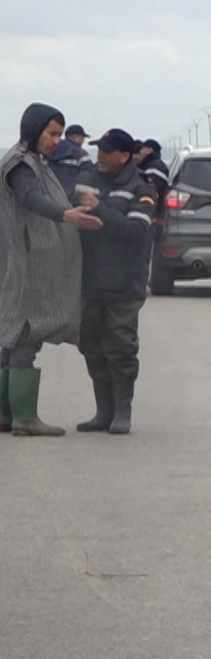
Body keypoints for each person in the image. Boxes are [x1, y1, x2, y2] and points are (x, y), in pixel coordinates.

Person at [0, 104, 102, 436]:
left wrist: (75, 205)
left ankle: (6, 414)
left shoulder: (35, 163)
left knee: (11, 338)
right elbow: (30, 198)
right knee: (24, 334)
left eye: (59, 134)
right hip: (27, 265)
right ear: (33, 129)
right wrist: (66, 216)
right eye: (52, 133)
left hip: (28, 263)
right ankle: (25, 419)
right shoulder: (20, 166)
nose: (57, 141)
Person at [72, 129, 159, 434]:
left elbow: (136, 233)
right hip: (88, 281)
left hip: (124, 284)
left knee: (120, 348)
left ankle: (123, 411)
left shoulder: (142, 187)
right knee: (90, 345)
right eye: (99, 150)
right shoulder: (86, 179)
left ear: (124, 156)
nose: (100, 156)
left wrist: (100, 210)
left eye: (107, 151)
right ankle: (103, 412)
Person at [48, 122, 89, 197]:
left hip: (52, 196)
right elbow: (90, 176)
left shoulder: (50, 151)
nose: (83, 141)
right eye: (83, 138)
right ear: (76, 137)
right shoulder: (80, 154)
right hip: (72, 199)